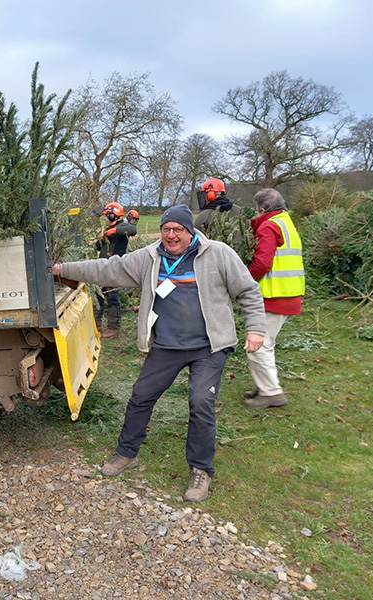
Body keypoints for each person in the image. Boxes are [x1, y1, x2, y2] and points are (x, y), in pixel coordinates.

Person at [53, 205, 265, 502]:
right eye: (166, 229)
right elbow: (109, 268)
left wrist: (256, 328)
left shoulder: (218, 254)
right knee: (141, 395)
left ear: (191, 231)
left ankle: (200, 469)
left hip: (209, 346)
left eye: (178, 229)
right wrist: (64, 269)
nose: (171, 234)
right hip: (167, 345)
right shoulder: (150, 258)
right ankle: (127, 453)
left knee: (201, 400)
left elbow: (248, 291)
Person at [244, 188, 305, 408]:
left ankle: (271, 392)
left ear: (261, 209)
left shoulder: (269, 225)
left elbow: (262, 263)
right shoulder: (286, 222)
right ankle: (264, 386)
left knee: (259, 344)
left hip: (274, 294)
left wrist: (243, 281)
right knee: (266, 343)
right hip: (289, 292)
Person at [93, 201, 137, 338]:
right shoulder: (106, 230)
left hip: (115, 267)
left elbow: (133, 230)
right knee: (99, 296)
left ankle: (114, 327)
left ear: (113, 216)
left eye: (106, 216)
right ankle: (97, 324)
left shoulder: (123, 226)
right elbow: (99, 247)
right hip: (103, 267)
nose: (104, 218)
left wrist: (114, 231)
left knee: (112, 297)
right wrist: (101, 240)